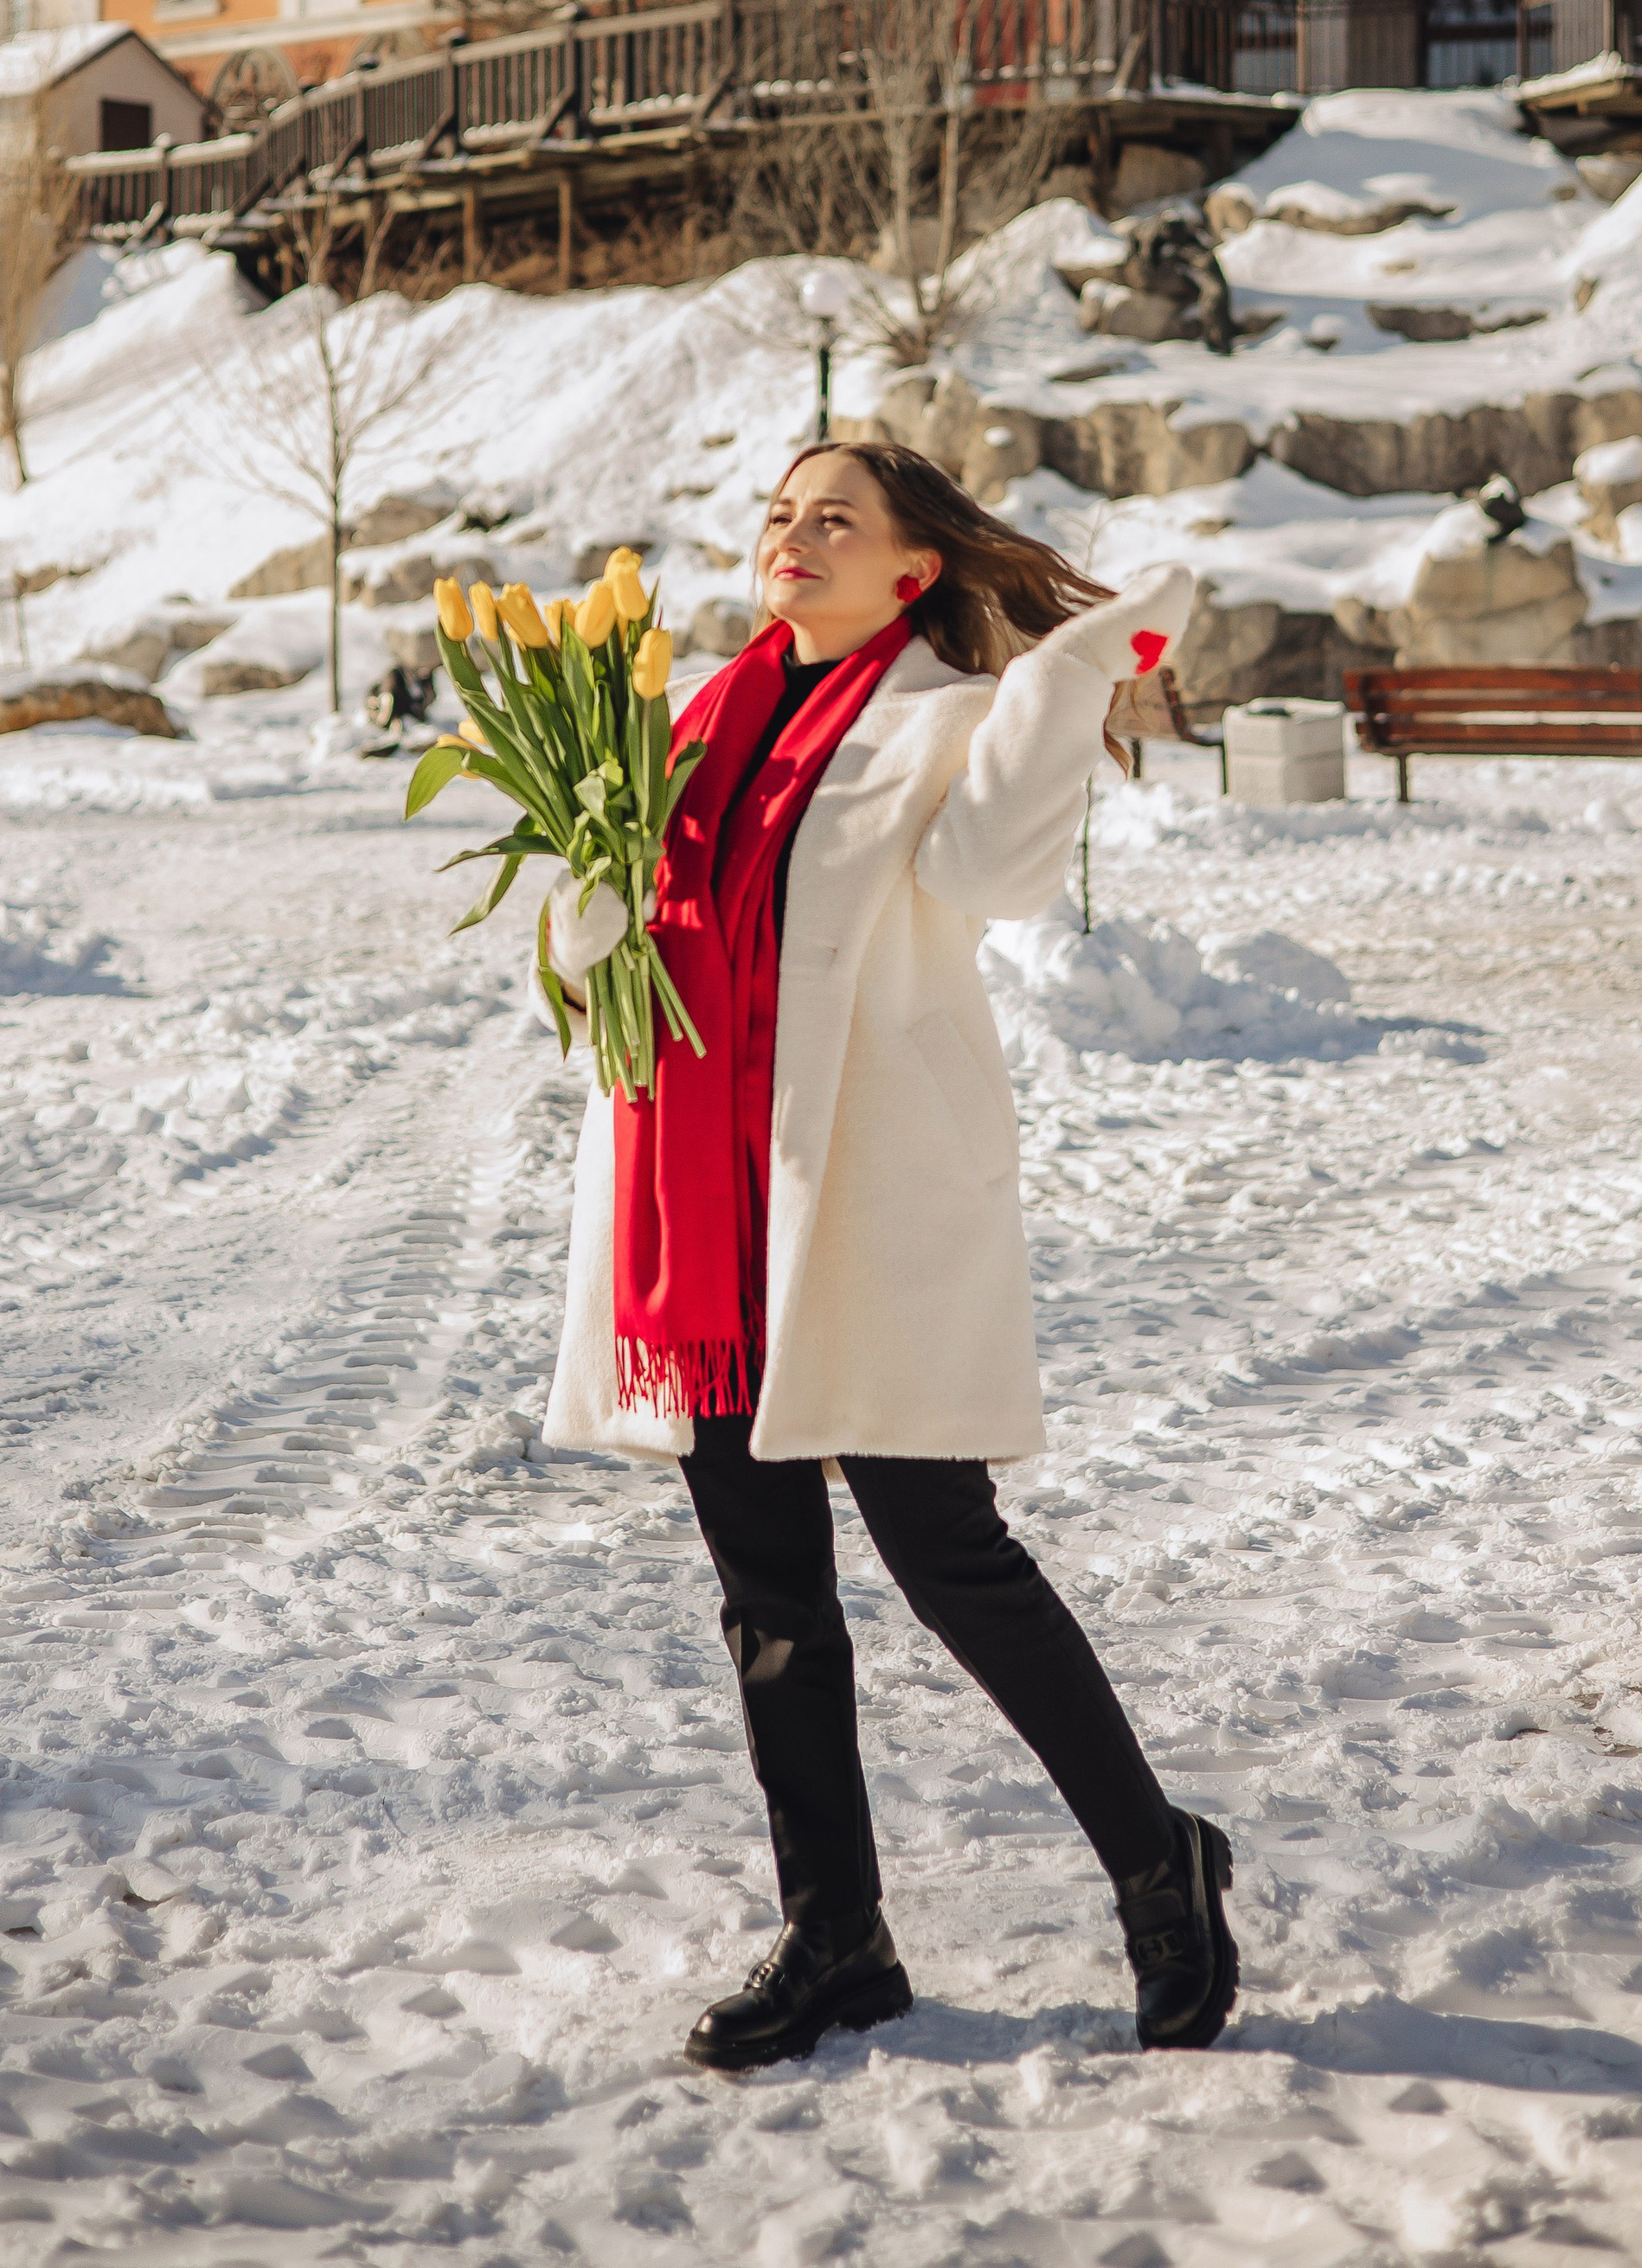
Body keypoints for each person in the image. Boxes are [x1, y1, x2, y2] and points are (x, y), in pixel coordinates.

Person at [539, 441, 1237, 2073]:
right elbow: (600, 949)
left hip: (865, 1191)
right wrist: (579, 912)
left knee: (950, 1554)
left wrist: (1060, 686)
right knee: (770, 1593)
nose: (793, 536)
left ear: (913, 569)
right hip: (702, 1210)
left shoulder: (943, 719)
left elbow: (991, 877)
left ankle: (1161, 1865)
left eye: (834, 519)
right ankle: (836, 1935)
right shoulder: (685, 718)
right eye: (781, 514)